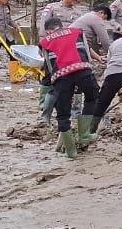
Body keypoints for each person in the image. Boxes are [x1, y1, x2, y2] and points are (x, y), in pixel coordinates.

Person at [39, 17, 100, 159]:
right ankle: (84, 134)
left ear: (48, 31)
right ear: (61, 25)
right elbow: (86, 51)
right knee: (92, 98)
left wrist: (52, 81)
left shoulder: (45, 41)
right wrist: (89, 68)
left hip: (61, 77)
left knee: (63, 114)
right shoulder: (77, 31)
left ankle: (71, 152)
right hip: (82, 70)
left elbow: (48, 65)